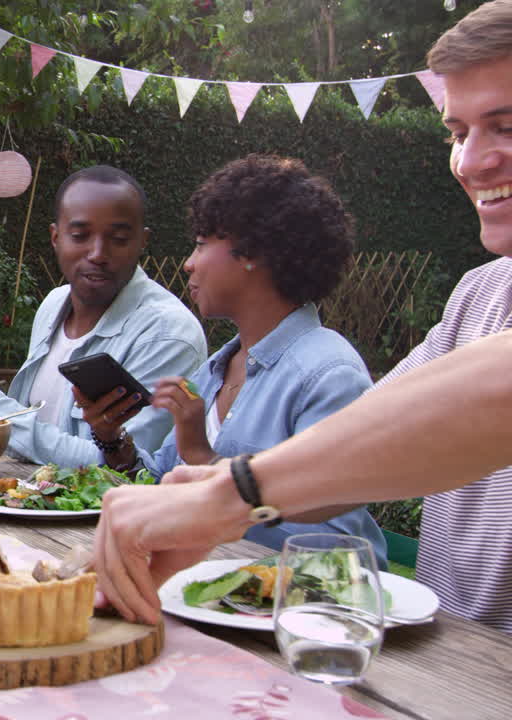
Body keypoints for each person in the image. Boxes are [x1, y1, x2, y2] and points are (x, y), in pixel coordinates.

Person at [91, 0, 512, 632]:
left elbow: (492, 397)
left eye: (506, 126)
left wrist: (229, 495)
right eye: (457, 133)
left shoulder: (322, 363)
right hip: (438, 663)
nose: (473, 162)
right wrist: (204, 498)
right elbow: (360, 455)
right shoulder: (477, 295)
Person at [79, 155, 386, 568]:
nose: (189, 261)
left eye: (203, 244)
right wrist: (114, 439)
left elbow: (337, 545)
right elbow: (170, 493)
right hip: (208, 600)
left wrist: (207, 461)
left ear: (252, 252)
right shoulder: (214, 373)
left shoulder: (328, 375)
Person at [0, 166, 207, 467]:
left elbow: (116, 465)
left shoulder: (168, 335)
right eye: (80, 235)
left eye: (119, 238)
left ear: (142, 242)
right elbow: (28, 425)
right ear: (55, 237)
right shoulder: (53, 304)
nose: (97, 253)